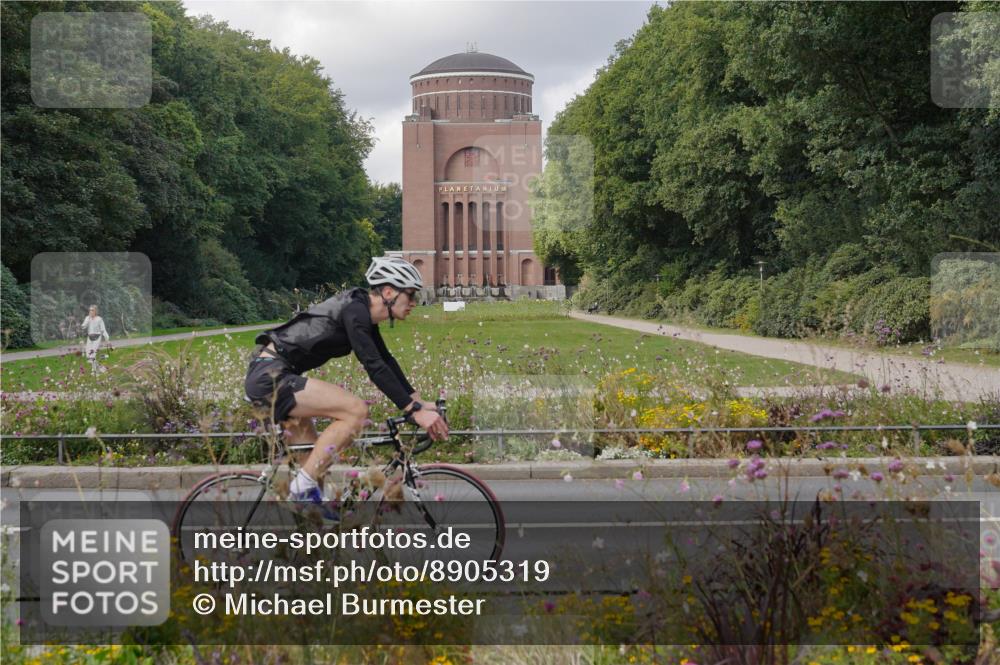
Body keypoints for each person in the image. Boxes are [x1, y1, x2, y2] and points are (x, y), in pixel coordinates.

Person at [245, 257, 448, 511]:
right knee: (356, 411)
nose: (414, 303)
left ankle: (314, 537)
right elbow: (372, 365)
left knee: (316, 473)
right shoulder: (355, 310)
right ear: (388, 292)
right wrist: (412, 411)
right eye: (410, 295)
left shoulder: (362, 312)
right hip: (270, 377)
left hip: (278, 375)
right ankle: (298, 491)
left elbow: (385, 360)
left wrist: (417, 402)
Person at [80, 305, 110, 372]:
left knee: (92, 355)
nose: (91, 312)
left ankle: (94, 371)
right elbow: (83, 327)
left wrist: (107, 339)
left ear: (95, 311)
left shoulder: (99, 319)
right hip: (89, 337)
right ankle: (102, 368)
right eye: (90, 310)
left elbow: (103, 330)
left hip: (97, 337)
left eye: (92, 310)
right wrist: (88, 320)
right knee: (88, 357)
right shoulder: (87, 318)